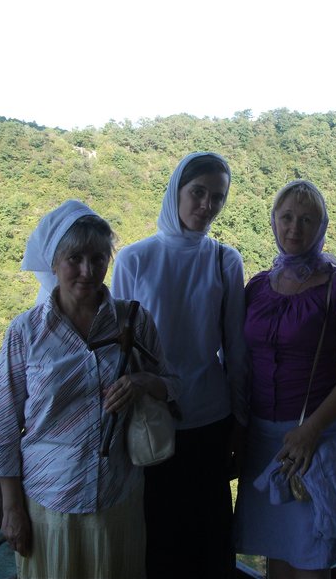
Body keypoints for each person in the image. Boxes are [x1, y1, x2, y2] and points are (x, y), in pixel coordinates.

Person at [0, 200, 180, 579]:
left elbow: (172, 386)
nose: (88, 271)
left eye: (98, 258)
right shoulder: (26, 332)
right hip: (48, 502)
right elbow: (2, 426)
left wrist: (141, 382)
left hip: (117, 498)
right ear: (53, 262)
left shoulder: (134, 320)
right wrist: (11, 508)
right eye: (75, 258)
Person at [110, 152, 248, 579]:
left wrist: (241, 420)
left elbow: (236, 349)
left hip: (210, 416)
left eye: (217, 197)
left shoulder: (225, 260)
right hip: (152, 418)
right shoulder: (135, 259)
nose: (207, 205)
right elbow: (118, 349)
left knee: (211, 537)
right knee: (158, 537)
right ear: (176, 192)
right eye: (198, 193)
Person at [234, 179, 336, 579]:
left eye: (307, 220)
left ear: (321, 226)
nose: (295, 228)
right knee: (277, 557)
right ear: (274, 221)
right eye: (287, 217)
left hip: (316, 441)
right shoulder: (258, 287)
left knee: (311, 559)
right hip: (264, 439)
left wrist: (311, 430)